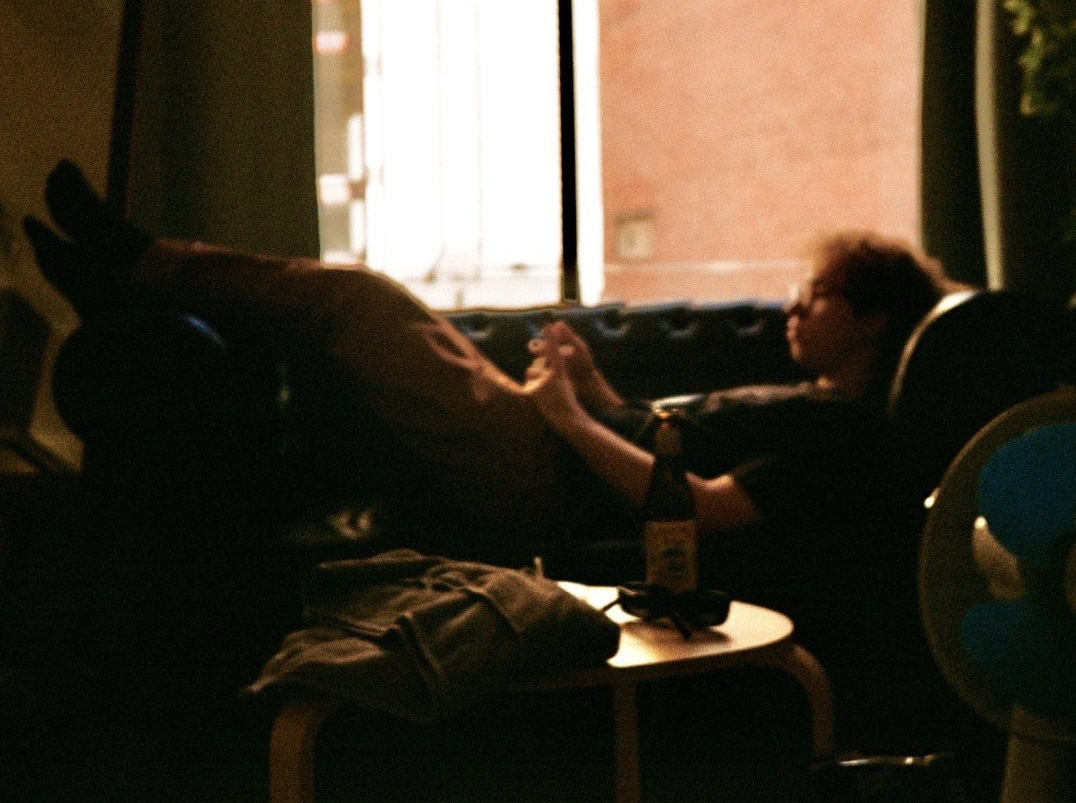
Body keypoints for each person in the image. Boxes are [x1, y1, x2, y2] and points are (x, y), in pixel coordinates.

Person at [22, 161, 955, 571]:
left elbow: (702, 509)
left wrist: (570, 420)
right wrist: (589, 386)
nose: (794, 308)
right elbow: (669, 440)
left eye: (819, 295)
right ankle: (128, 282)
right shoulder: (805, 397)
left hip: (541, 475)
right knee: (366, 309)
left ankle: (133, 265)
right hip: (546, 442)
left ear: (874, 320)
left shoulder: (844, 433)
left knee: (361, 302)